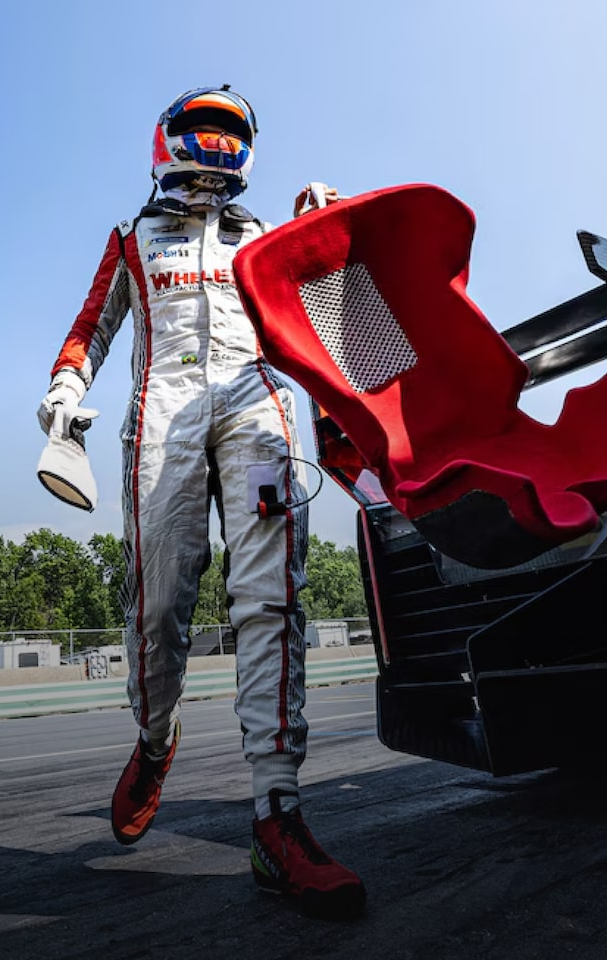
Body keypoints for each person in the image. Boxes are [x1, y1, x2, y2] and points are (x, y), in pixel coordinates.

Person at [37, 85, 365, 919]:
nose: (217, 145)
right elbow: (90, 326)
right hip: (163, 416)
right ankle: (156, 738)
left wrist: (327, 236)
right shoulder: (132, 237)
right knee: (158, 606)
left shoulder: (268, 235)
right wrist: (65, 390)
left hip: (257, 408)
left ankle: (277, 813)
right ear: (169, 140)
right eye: (203, 129)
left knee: (272, 598)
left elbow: (335, 320)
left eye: (229, 133)